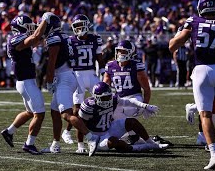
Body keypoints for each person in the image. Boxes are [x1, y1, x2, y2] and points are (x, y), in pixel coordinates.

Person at [169, 0, 215, 169]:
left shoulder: (194, 21)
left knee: (206, 114)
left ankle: (214, 154)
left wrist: (181, 35)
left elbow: (173, 45)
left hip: (202, 70)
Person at [40, 13, 100, 157]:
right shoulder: (65, 36)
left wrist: (48, 81)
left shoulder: (54, 38)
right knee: (54, 112)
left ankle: (91, 138)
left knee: (66, 114)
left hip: (64, 78)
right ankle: (55, 144)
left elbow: (51, 63)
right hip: (69, 75)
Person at [0, 14, 48, 154]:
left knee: (29, 112)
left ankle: (9, 132)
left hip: (26, 81)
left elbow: (37, 40)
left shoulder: (20, 40)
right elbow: (34, 38)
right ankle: (29, 144)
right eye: (28, 27)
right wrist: (44, 20)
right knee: (39, 114)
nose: (31, 29)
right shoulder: (14, 39)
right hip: (26, 81)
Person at [78, 82, 168, 153]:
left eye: (109, 96)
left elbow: (129, 101)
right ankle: (137, 148)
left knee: (131, 122)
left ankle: (151, 143)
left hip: (109, 128)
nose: (108, 99)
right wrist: (80, 145)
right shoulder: (89, 106)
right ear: (96, 97)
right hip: (96, 138)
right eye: (104, 98)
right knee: (114, 141)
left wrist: (144, 106)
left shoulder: (113, 99)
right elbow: (80, 125)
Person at [61, 14, 105, 151]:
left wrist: (103, 70)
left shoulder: (95, 38)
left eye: (80, 25)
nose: (78, 29)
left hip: (91, 74)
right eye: (76, 26)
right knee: (77, 109)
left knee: (103, 102)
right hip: (77, 74)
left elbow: (99, 57)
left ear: (86, 26)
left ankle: (104, 133)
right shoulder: (70, 41)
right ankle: (75, 140)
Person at [103, 39, 151, 120]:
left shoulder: (136, 66)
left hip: (135, 98)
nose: (120, 54)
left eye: (123, 51)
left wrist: (145, 105)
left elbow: (146, 89)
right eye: (119, 51)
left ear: (130, 52)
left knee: (121, 113)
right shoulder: (110, 65)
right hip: (119, 98)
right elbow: (104, 87)